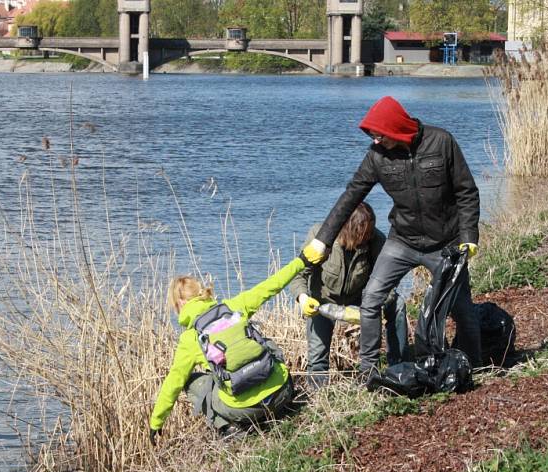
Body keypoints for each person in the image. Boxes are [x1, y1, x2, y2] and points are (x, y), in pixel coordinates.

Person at [300, 96, 482, 376]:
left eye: (378, 135)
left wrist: (468, 235)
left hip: (445, 242)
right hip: (403, 241)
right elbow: (351, 196)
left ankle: (474, 366)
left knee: (461, 308)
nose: (374, 141)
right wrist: (322, 239)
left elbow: (466, 191)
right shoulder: (377, 157)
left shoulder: (442, 142)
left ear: (395, 129)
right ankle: (369, 373)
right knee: (372, 298)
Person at [148, 255, 307, 443]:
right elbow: (272, 284)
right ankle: (279, 407)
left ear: (180, 304)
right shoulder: (235, 306)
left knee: (190, 381)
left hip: (247, 410)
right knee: (263, 342)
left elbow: (173, 383)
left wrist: (156, 422)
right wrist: (302, 261)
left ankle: (229, 428)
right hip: (283, 392)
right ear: (202, 293)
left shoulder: (189, 339)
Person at [290, 202, 409, 388]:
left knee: (398, 304)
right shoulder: (320, 235)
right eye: (362, 234)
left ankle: (398, 369)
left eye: (369, 232)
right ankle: (319, 397)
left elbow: (388, 281)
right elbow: (298, 273)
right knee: (317, 358)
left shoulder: (376, 240)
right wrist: (303, 298)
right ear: (349, 229)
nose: (367, 238)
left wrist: (373, 305)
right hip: (322, 301)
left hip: (360, 297)